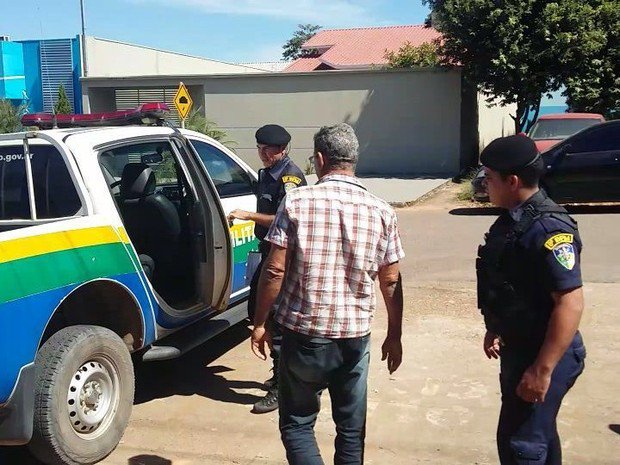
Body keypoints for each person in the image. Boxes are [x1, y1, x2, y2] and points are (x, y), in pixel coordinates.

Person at [251, 123, 405, 464]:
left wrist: (260, 323)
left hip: (304, 335)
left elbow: (274, 270)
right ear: (353, 159)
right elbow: (391, 281)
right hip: (354, 338)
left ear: (319, 160)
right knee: (351, 429)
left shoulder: (296, 202)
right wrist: (394, 335)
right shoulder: (382, 210)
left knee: (297, 424)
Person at [476, 135, 586, 465]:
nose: (484, 184)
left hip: (544, 352)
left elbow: (570, 302)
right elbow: (512, 284)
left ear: (512, 182)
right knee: (536, 435)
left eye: (489, 178)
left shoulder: (548, 229)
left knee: (522, 444)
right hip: (523, 346)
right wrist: (496, 326)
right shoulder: (514, 219)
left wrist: (542, 369)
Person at [228, 124, 306, 414]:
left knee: (276, 316)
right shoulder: (265, 174)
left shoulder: (290, 178)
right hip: (267, 249)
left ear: (282, 149)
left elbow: (287, 219)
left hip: (283, 254)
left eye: (267, 149)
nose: (262, 154)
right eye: (259, 148)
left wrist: (249, 215)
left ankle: (282, 388)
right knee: (258, 311)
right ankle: (282, 373)